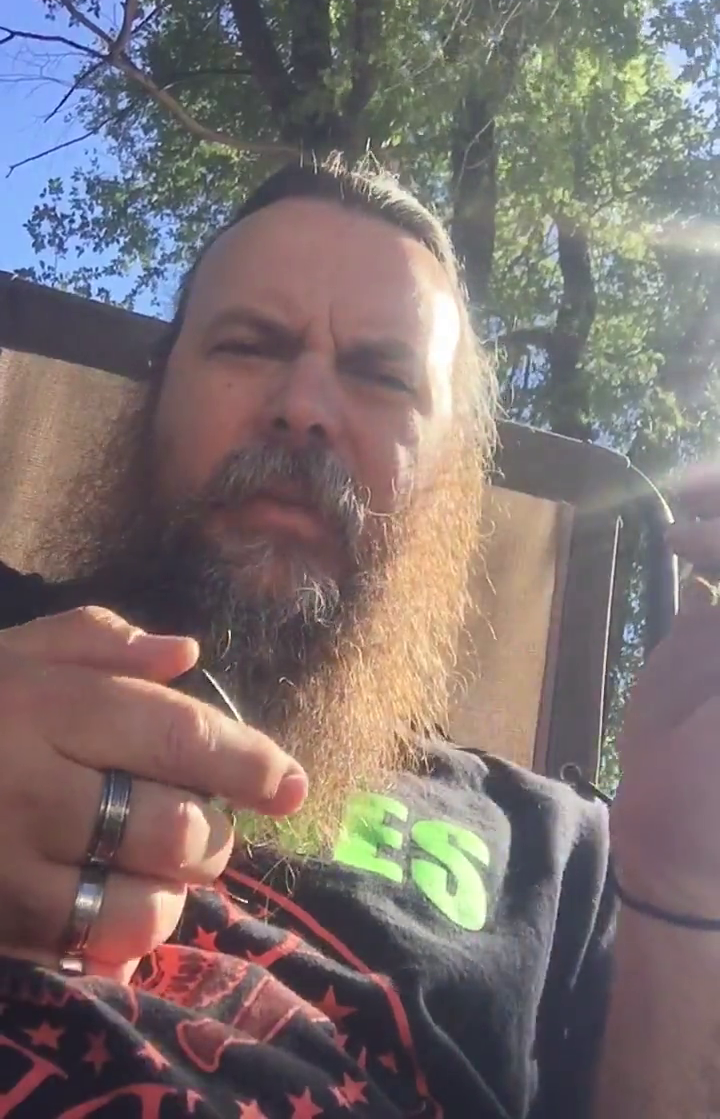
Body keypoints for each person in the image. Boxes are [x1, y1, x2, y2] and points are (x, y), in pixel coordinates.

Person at [0, 156, 718, 1119]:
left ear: (452, 480)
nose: (303, 407)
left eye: (381, 375)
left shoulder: (564, 852)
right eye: (249, 345)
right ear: (157, 394)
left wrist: (687, 887)